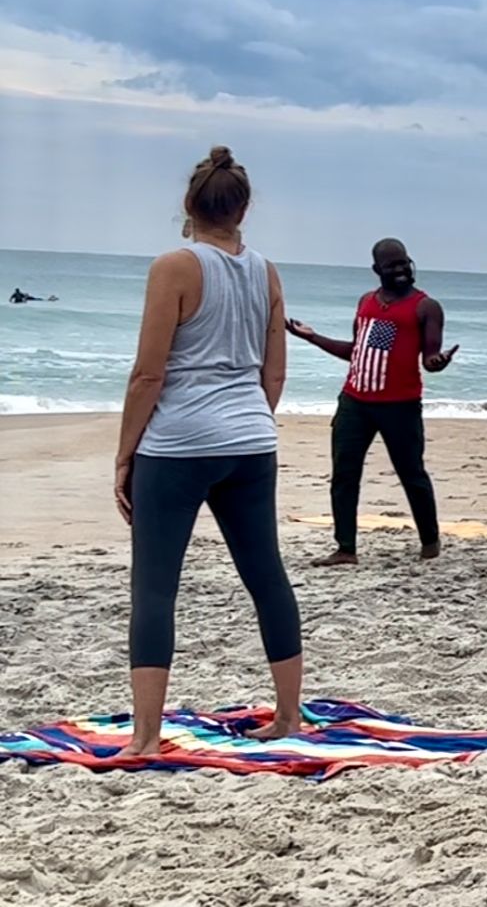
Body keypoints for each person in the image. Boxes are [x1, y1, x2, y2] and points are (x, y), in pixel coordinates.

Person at [113, 146, 303, 757]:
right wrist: (247, 420)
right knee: (266, 575)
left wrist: (125, 455)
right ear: (243, 208)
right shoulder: (266, 271)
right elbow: (274, 373)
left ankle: (145, 736)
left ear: (187, 206)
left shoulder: (175, 265)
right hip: (250, 438)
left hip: (178, 445)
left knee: (155, 586)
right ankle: (290, 714)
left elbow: (149, 373)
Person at [290, 239, 458, 566]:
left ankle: (429, 541)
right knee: (344, 474)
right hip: (355, 402)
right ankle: (345, 548)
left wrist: (439, 361)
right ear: (376, 270)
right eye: (392, 265)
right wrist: (312, 337)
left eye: (404, 263)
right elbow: (358, 352)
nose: (400, 270)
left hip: (400, 406)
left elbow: (429, 357)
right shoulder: (367, 302)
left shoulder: (426, 307)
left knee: (412, 474)